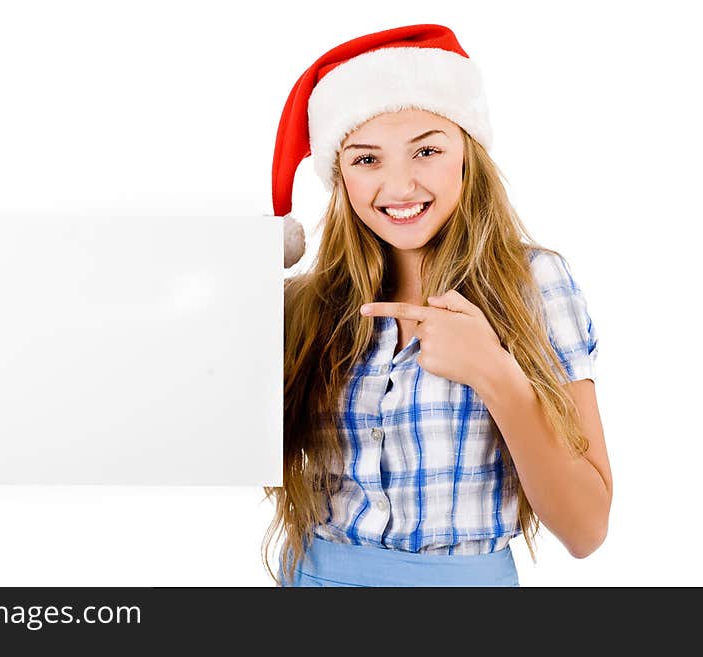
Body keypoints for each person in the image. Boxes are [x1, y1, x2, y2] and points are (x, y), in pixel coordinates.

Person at [262, 24, 613, 587]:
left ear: (467, 156)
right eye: (366, 160)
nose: (399, 186)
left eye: (426, 150)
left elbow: (586, 529)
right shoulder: (308, 308)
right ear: (340, 177)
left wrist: (495, 373)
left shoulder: (533, 284)